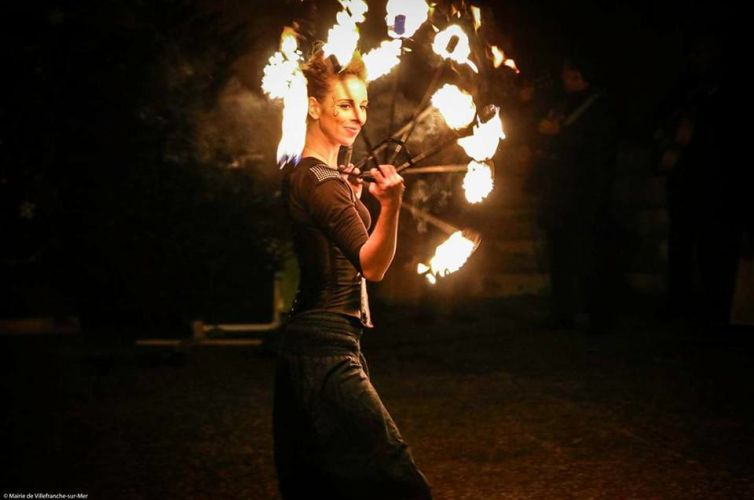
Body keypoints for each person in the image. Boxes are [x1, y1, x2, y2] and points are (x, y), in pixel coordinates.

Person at [273, 47, 432, 500]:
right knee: (398, 479)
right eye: (345, 103)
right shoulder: (323, 183)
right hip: (325, 349)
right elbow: (373, 265)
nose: (359, 115)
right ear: (313, 105)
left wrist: (358, 201)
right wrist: (393, 205)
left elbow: (342, 246)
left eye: (364, 104)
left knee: (327, 485)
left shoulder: (312, 176)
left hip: (314, 344)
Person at [532, 56, 618, 333]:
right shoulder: (563, 103)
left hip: (585, 193)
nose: (564, 81)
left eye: (569, 76)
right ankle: (561, 312)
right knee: (559, 255)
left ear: (581, 77)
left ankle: (597, 314)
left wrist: (562, 133)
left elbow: (598, 146)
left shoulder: (599, 106)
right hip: (559, 192)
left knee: (587, 255)